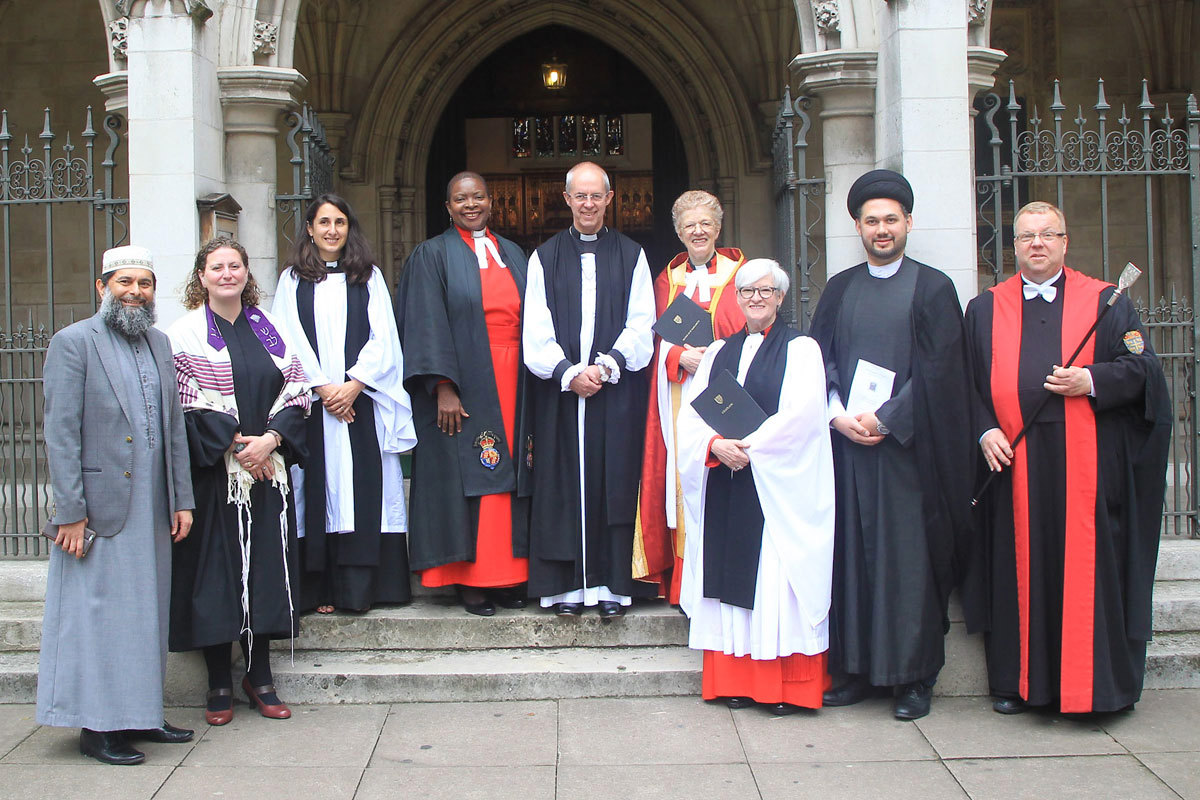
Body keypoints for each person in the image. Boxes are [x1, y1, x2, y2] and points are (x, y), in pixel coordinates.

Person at [963, 201, 1171, 715]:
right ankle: (1018, 684)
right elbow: (964, 385)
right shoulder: (984, 309)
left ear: (1064, 242)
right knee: (1019, 572)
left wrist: (1090, 379)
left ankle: (1092, 690)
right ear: (1014, 246)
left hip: (1087, 468)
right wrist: (985, 429)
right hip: (1014, 465)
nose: (1036, 243)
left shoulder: (1106, 302)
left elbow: (1143, 369)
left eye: (1047, 234)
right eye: (1026, 236)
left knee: (1085, 575)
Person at [809, 169, 974, 720]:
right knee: (851, 560)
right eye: (871, 221)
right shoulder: (840, 288)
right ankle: (855, 670)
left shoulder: (934, 288)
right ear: (857, 226)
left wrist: (887, 418)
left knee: (908, 564)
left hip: (908, 455)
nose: (882, 230)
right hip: (848, 452)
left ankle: (913, 678)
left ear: (908, 223)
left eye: (891, 220)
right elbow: (818, 361)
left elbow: (942, 372)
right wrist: (836, 415)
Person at [38, 245, 195, 765]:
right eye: (124, 282)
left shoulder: (159, 342)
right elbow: (61, 433)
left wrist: (182, 499)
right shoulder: (73, 342)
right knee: (100, 615)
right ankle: (98, 727)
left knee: (145, 615)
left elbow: (173, 428)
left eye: (144, 283)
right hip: (98, 509)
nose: (135, 292)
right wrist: (70, 511)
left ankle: (142, 713)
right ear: (102, 287)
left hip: (152, 506)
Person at [676, 258, 834, 714]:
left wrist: (747, 447)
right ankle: (735, 682)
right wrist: (714, 445)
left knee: (773, 584)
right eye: (748, 291)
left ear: (780, 298)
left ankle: (782, 688)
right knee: (731, 582)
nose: (757, 298)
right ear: (737, 298)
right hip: (726, 484)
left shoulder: (802, 350)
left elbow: (803, 415)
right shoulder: (717, 353)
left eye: (766, 291)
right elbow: (692, 415)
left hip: (775, 490)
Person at [167, 238, 311, 726]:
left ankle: (260, 677)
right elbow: (185, 402)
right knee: (217, 575)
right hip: (215, 478)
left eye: (235, 266)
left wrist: (269, 441)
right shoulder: (184, 334)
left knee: (265, 570)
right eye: (217, 267)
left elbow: (298, 390)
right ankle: (219, 682)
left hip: (267, 474)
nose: (227, 274)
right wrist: (234, 446)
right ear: (201, 276)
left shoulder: (271, 328)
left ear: (247, 273)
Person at [522, 161, 656, 617]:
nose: (588, 204)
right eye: (580, 196)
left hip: (613, 393)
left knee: (614, 484)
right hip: (561, 395)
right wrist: (566, 372)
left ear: (610, 199)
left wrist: (607, 366)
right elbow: (535, 329)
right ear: (566, 199)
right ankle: (565, 590)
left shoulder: (632, 255)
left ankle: (612, 588)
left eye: (596, 195)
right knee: (561, 486)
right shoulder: (544, 258)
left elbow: (642, 323)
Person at [273, 194, 417, 613]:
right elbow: (284, 338)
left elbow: (383, 336)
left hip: (362, 403)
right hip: (312, 405)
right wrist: (322, 388)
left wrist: (354, 385)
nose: (332, 230)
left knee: (364, 488)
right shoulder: (291, 280)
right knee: (317, 488)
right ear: (309, 229)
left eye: (339, 222)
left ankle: (365, 589)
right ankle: (320, 589)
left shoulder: (367, 276)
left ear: (349, 227)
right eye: (323, 222)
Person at [395, 172, 531, 616]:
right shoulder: (432, 254)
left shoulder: (513, 253)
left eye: (478, 197)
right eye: (460, 198)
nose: (470, 204)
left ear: (491, 201)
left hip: (515, 378)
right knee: (471, 473)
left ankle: (508, 575)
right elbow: (424, 321)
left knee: (511, 471)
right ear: (448, 207)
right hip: (464, 379)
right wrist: (442, 386)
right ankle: (471, 580)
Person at [634, 190, 746, 602]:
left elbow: (752, 332)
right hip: (678, 395)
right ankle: (684, 586)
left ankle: (721, 579)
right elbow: (648, 340)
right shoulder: (666, 280)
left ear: (718, 227)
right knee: (681, 481)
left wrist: (714, 357)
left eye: (705, 224)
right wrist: (678, 356)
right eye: (689, 225)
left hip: (725, 394)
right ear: (679, 233)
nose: (698, 231)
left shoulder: (742, 275)